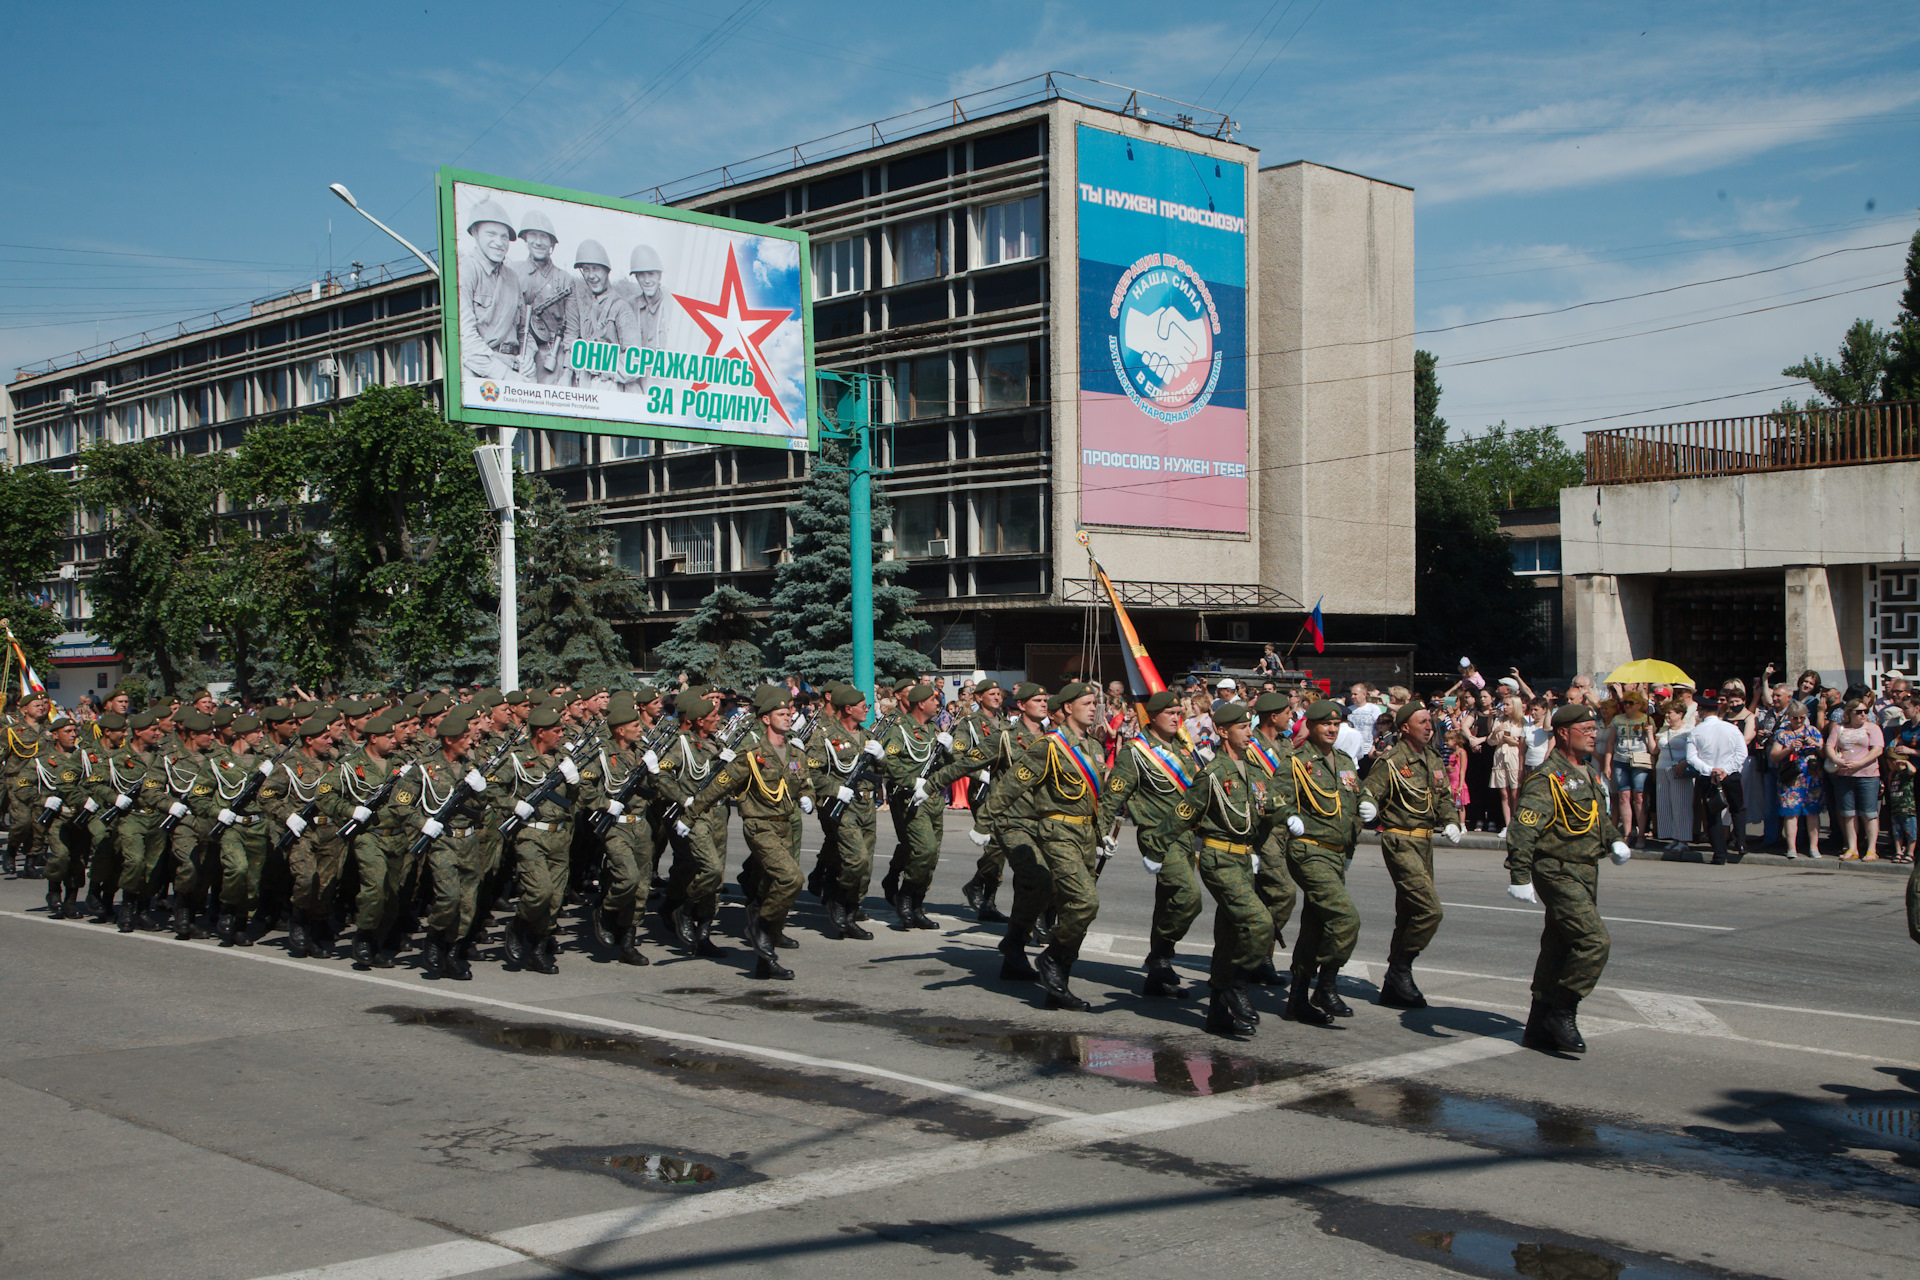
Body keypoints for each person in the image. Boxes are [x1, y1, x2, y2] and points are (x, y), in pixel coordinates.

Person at [969, 682, 1116, 1011]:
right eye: (1087, 703)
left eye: (1096, 703)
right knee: (1084, 903)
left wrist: (1104, 832)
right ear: (1066, 709)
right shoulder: (1050, 746)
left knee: (1070, 906)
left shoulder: (1093, 747)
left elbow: (1098, 798)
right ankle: (1051, 958)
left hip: (1086, 836)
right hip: (1057, 832)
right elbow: (1011, 784)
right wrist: (984, 822)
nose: (1094, 708)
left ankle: (1057, 982)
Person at [1504, 704, 1631, 1055]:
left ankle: (1537, 1026)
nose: (1594, 734)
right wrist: (1519, 875)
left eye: (1595, 728)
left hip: (1585, 870)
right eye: (1586, 728)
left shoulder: (1586, 772)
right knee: (1593, 942)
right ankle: (1562, 1009)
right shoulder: (1548, 777)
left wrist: (1615, 838)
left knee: (1559, 945)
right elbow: (1523, 828)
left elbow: (1595, 816)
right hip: (1557, 870)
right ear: (1563, 733)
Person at [679, 686, 816, 979]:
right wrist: (690, 815)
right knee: (792, 878)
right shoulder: (752, 756)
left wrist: (808, 797)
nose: (788, 716)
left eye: (789, 712)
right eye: (781, 713)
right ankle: (761, 927)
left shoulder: (795, 750)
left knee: (771, 886)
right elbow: (718, 787)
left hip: (784, 825)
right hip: (760, 825)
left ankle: (764, 961)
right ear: (766, 719)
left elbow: (804, 781)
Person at [1159, 701, 1274, 1036]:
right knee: (1259, 923)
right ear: (1223, 732)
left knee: (1230, 935)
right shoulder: (1213, 774)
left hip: (1243, 858)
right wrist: (1155, 848)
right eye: (1242, 727)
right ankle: (1234, 986)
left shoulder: (1252, 770)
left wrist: (1291, 817)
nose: (1249, 733)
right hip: (1218, 858)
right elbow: (1183, 814)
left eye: (1249, 726)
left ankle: (1217, 1013)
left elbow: (1270, 807)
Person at [1360, 701, 1463, 1009]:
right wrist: (1368, 806)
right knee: (1429, 910)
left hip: (1425, 843)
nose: (1430, 726)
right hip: (1400, 841)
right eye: (1422, 722)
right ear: (1405, 728)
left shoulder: (1432, 758)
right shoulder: (1392, 760)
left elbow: (1442, 796)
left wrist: (1452, 821)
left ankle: (1394, 985)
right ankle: (1401, 967)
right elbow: (1368, 791)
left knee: (1408, 914)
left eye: (1430, 721)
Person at [1105, 690, 1207, 998]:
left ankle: (1157, 975)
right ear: (1153, 716)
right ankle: (1159, 957)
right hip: (1158, 833)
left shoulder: (1182, 748)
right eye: (1170, 712)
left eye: (1180, 712)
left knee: (1168, 902)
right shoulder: (1136, 752)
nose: (1177, 718)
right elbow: (1113, 796)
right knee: (1189, 897)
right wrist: (1100, 836)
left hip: (1187, 834)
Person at [1273, 699, 1363, 1026]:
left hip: (1336, 855)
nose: (1332, 729)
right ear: (1310, 726)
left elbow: (1359, 793)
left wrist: (1367, 805)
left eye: (1336, 724)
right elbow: (1273, 798)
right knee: (1345, 918)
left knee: (1316, 925)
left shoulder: (1344, 760)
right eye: (1326, 724)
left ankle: (1297, 999)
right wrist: (1288, 816)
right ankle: (1326, 985)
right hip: (1309, 851)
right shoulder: (1296, 762)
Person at [806, 684, 884, 939]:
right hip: (841, 807)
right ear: (848, 709)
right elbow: (810, 773)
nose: (867, 709)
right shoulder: (825, 735)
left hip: (866, 806)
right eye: (864, 706)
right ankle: (838, 900)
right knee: (856, 860)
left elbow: (886, 772)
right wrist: (835, 789)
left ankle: (850, 913)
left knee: (866, 867)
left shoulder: (868, 735)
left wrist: (882, 758)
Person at [458, 198, 524, 379]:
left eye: (504, 237)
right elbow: (464, 339)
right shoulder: (465, 270)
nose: (499, 242)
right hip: (481, 370)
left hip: (513, 365)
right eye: (491, 234)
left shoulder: (512, 277)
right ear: (475, 232)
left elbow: (523, 329)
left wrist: (528, 357)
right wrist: (503, 374)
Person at [1686, 695, 1750, 864]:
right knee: (1737, 808)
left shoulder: (1696, 731)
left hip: (1708, 777)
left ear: (1702, 712)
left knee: (1713, 815)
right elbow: (1742, 753)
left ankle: (1719, 854)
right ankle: (1741, 842)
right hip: (1730, 774)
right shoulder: (1731, 728)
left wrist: (1710, 770)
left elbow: (1691, 757)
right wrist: (1725, 770)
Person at [1825, 700, 1884, 860]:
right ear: (1849, 713)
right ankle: (1852, 847)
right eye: (1858, 712)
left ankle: (1872, 849)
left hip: (1868, 774)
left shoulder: (1873, 728)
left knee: (1869, 813)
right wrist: (1837, 761)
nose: (1863, 714)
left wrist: (1859, 763)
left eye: (1865, 711)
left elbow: (1877, 749)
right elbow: (1829, 746)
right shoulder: (1839, 728)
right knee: (1848, 813)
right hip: (1844, 775)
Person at [1769, 701, 1826, 858]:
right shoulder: (1782, 734)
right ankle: (1791, 848)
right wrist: (1789, 748)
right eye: (1795, 718)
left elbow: (1825, 754)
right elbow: (1774, 756)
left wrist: (1817, 745)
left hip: (1811, 777)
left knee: (1812, 812)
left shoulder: (1813, 731)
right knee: (1791, 813)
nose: (1799, 721)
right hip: (1791, 777)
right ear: (1789, 717)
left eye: (1802, 717)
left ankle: (1814, 847)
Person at [1605, 691, 1654, 845]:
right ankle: (1626, 834)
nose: (1627, 706)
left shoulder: (1646, 719)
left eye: (1631, 703)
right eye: (1625, 703)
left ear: (1640, 704)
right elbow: (1611, 742)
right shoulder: (1618, 719)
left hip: (1639, 760)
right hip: (1620, 759)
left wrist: (1649, 731)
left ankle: (1640, 833)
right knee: (1623, 796)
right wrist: (1608, 763)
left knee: (1639, 796)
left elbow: (1651, 742)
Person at [1650, 702, 1694, 845]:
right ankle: (1671, 837)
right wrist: (1649, 733)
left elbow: (1695, 751)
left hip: (1679, 769)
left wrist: (1684, 763)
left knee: (1681, 804)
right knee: (1664, 804)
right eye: (1666, 713)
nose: (1667, 716)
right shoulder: (1663, 729)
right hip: (1662, 768)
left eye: (1670, 713)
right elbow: (1654, 750)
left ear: (1680, 714)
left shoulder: (1689, 730)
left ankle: (1683, 839)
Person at [1488, 697, 1527, 834]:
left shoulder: (1522, 721)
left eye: (1507, 705)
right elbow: (1491, 742)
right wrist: (1495, 731)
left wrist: (1514, 742)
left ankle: (1516, 824)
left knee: (1515, 792)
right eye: (1504, 704)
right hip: (1500, 756)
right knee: (1504, 792)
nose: (1504, 707)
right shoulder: (1499, 720)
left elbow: (1526, 743)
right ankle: (1507, 824)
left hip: (1514, 756)